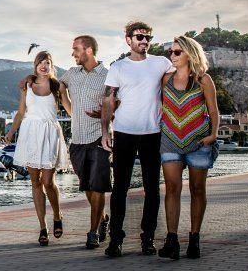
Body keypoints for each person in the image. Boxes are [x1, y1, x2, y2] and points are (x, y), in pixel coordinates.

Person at [101, 21, 174, 258]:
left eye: (148, 37)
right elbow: (109, 100)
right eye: (139, 37)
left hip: (152, 134)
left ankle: (148, 238)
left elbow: (179, 81)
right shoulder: (118, 67)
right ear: (128, 40)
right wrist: (105, 131)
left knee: (152, 189)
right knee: (119, 188)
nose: (144, 41)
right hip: (123, 133)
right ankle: (116, 240)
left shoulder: (161, 63)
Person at [158, 36, 219, 260]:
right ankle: (172, 241)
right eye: (171, 52)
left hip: (199, 141)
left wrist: (213, 135)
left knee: (197, 189)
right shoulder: (165, 79)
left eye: (176, 52)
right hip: (170, 140)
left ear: (189, 54)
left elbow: (213, 110)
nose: (172, 56)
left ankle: (194, 239)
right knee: (172, 189)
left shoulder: (203, 80)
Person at [5, 51, 72, 246]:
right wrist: (11, 132)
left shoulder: (57, 86)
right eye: (40, 62)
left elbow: (70, 109)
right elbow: (20, 112)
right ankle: (43, 228)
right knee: (35, 182)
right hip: (30, 134)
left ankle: (57, 216)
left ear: (52, 66)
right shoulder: (27, 85)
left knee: (48, 181)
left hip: (50, 133)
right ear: (35, 65)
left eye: (47, 62)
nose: (43, 65)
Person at [60, 35, 112, 249]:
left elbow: (117, 104)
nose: (73, 53)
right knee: (88, 188)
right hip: (78, 142)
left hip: (99, 139)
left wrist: (105, 112)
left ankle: (92, 233)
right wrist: (66, 101)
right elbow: (58, 84)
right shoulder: (71, 74)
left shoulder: (108, 76)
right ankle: (103, 219)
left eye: (76, 49)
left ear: (88, 50)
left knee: (97, 187)